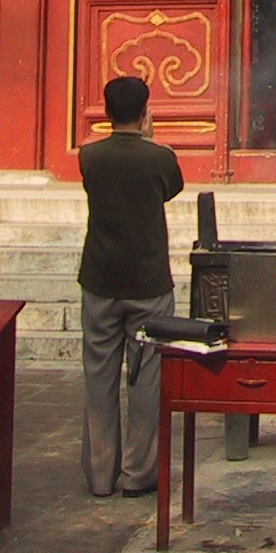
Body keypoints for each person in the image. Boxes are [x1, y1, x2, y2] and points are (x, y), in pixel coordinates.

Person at [77, 74, 183, 497]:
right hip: (148, 281)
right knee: (146, 378)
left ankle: (101, 474)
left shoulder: (90, 156)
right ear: (145, 112)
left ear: (106, 112)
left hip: (100, 278)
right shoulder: (160, 158)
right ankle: (139, 472)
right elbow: (170, 189)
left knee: (98, 377)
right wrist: (149, 140)